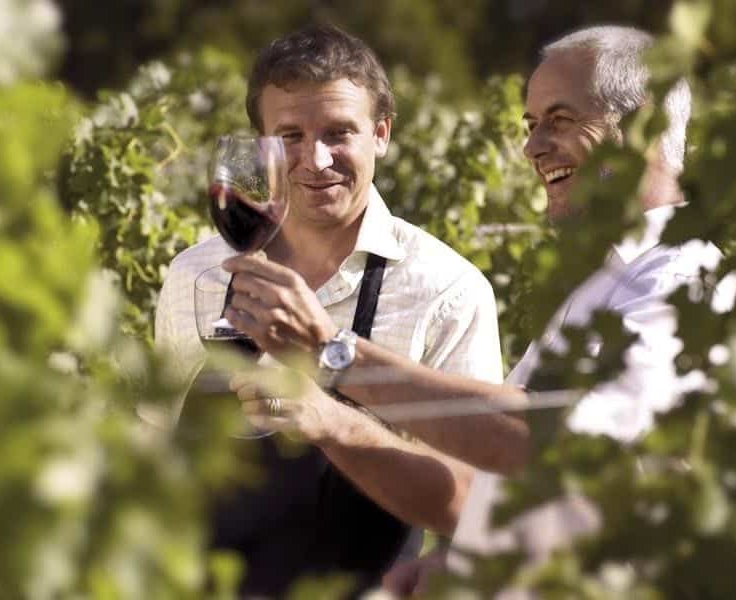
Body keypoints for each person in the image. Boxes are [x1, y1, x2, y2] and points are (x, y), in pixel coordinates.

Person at [224, 24, 735, 596]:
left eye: (559, 120)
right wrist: (331, 424)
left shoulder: (680, 284)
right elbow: (481, 491)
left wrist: (332, 352)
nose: (532, 146)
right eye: (530, 125)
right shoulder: (601, 288)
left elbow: (563, 443)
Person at [150, 24, 504, 598]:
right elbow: (161, 461)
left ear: (381, 134)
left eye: (339, 133)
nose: (316, 160)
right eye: (290, 136)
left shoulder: (447, 293)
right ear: (261, 146)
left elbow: (469, 503)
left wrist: (334, 419)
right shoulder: (195, 276)